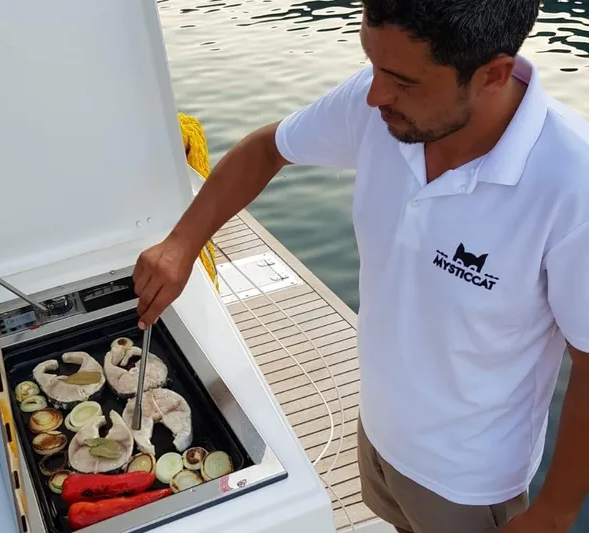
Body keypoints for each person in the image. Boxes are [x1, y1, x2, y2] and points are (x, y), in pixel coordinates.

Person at [132, 1, 589, 532]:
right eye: (371, 63)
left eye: (401, 80)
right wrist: (182, 243)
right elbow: (266, 149)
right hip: (377, 433)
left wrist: (555, 511)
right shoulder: (377, 101)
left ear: (493, 75)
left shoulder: (572, 183)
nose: (374, 96)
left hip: (466, 481)